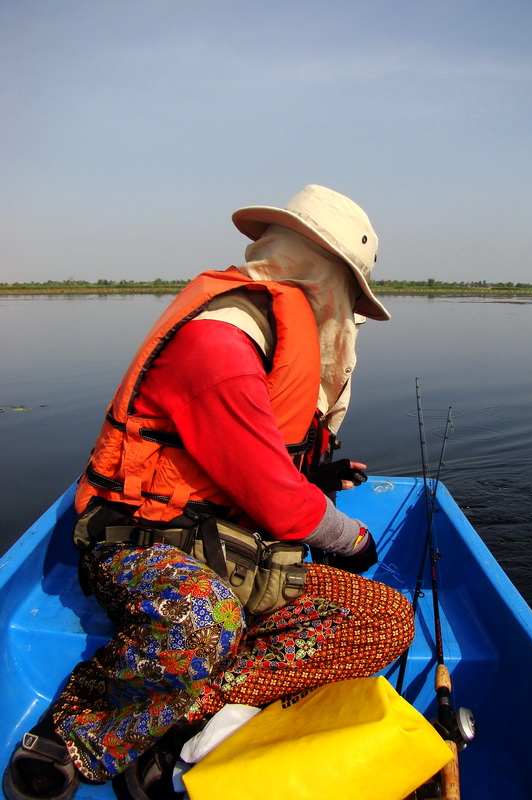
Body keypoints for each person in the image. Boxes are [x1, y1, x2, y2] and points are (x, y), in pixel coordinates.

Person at [3, 185, 414, 800]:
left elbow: (254, 456)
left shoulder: (270, 330)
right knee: (205, 618)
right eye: (350, 295)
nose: (348, 314)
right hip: (144, 542)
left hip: (234, 544)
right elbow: (275, 499)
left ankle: (182, 716)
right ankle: (77, 731)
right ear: (325, 274)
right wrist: (349, 538)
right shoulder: (218, 342)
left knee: (385, 618)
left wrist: (315, 478)